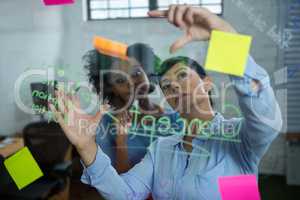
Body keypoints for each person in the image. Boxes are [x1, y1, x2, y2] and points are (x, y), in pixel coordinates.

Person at [50, 5, 282, 199]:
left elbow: (264, 116)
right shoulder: (161, 148)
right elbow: (126, 194)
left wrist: (226, 38)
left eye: (182, 75)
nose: (174, 87)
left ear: (208, 83)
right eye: (167, 86)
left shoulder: (237, 137)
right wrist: (86, 147)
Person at [76, 43, 180, 174]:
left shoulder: (174, 116)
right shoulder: (106, 127)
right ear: (111, 88)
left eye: (136, 72)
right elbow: (119, 182)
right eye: (120, 80)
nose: (132, 82)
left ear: (147, 71)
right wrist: (121, 141)